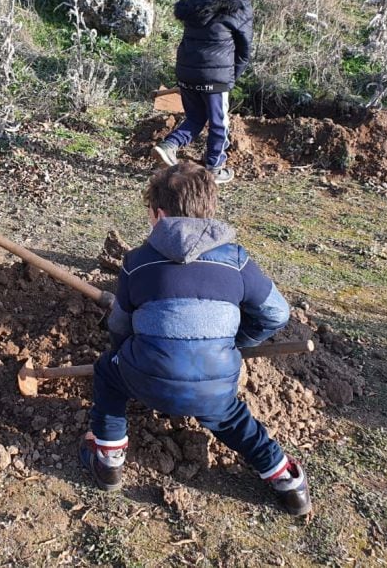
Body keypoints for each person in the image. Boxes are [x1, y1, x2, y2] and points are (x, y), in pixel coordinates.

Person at [80, 161, 311, 516]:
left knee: (108, 374)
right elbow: (277, 314)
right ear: (210, 209)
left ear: (158, 214)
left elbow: (120, 325)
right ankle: (287, 482)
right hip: (215, 386)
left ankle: (109, 460)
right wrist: (239, 341)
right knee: (232, 419)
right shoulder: (236, 260)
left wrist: (123, 354)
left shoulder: (136, 262)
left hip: (145, 377)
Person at [152, 0, 253, 184]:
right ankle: (215, 168)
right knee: (219, 122)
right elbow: (244, 50)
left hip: (186, 69)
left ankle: (169, 145)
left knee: (196, 116)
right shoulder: (239, 7)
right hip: (215, 74)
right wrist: (230, 77)